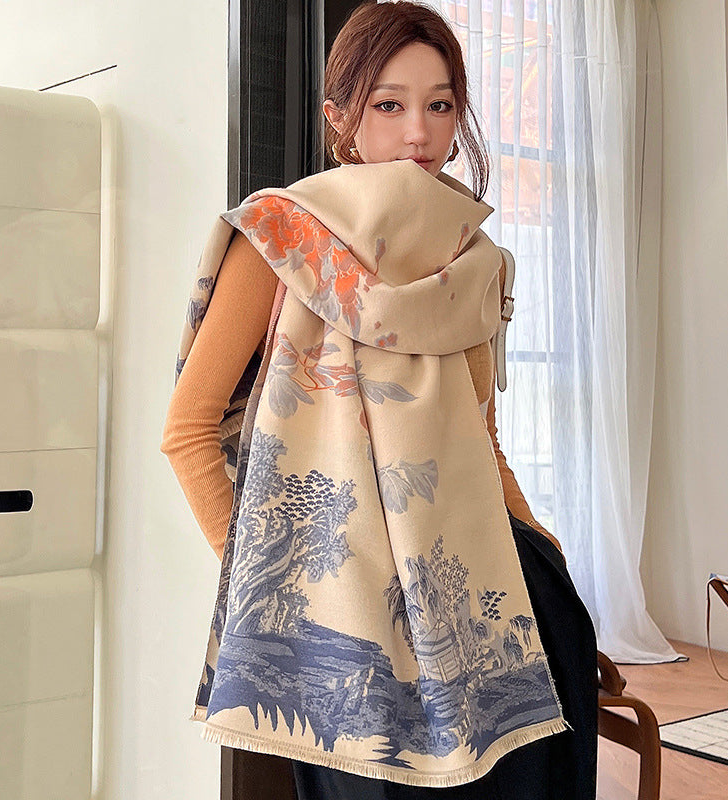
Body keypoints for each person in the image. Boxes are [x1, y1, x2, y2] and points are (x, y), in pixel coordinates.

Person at [161, 3, 597, 798]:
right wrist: (278, 599)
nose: (419, 132)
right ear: (341, 118)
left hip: (498, 605)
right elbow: (188, 433)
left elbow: (483, 444)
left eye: (440, 104)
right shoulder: (278, 239)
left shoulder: (476, 262)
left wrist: (552, 565)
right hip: (349, 625)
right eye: (389, 104)